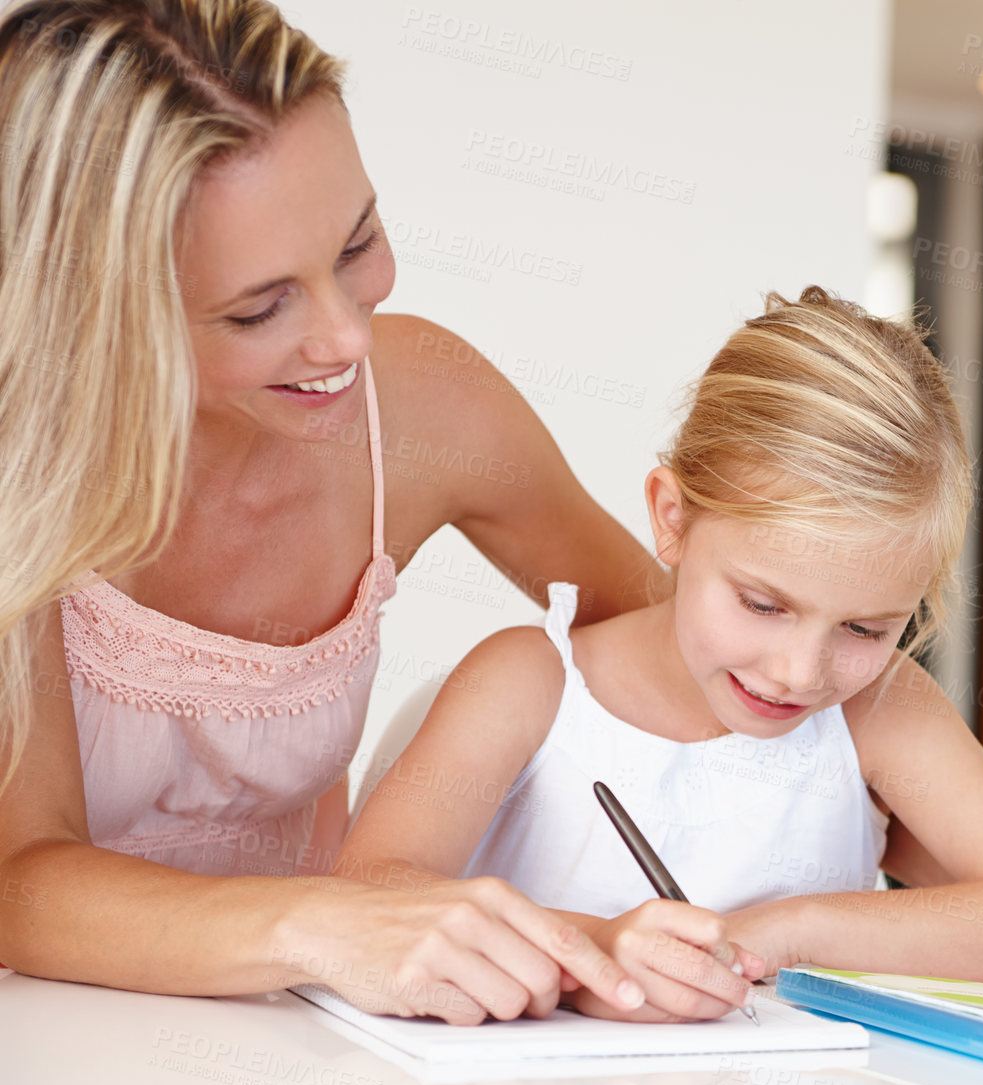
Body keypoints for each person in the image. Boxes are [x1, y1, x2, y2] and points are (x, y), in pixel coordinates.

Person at [0, 0, 657, 1021]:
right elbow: (22, 881)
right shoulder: (21, 469)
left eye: (357, 244)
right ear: (100, 309)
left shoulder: (427, 404)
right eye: (262, 308)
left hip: (308, 1049)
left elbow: (677, 634)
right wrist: (332, 921)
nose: (348, 337)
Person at [340, 288, 983, 1023]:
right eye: (764, 604)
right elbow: (372, 896)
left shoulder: (880, 708)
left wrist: (787, 929)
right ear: (672, 518)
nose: (801, 674)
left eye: (866, 629)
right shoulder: (529, 683)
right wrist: (603, 953)